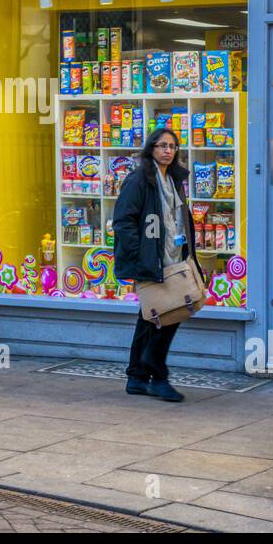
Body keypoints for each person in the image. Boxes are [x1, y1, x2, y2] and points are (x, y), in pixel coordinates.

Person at [112, 127, 202, 403]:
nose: (168, 151)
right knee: (171, 312)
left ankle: (137, 377)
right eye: (162, 145)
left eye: (172, 146)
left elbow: (178, 218)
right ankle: (157, 373)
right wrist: (140, 255)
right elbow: (123, 221)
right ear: (151, 148)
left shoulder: (174, 179)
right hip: (151, 259)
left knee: (151, 316)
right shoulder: (139, 179)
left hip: (174, 256)